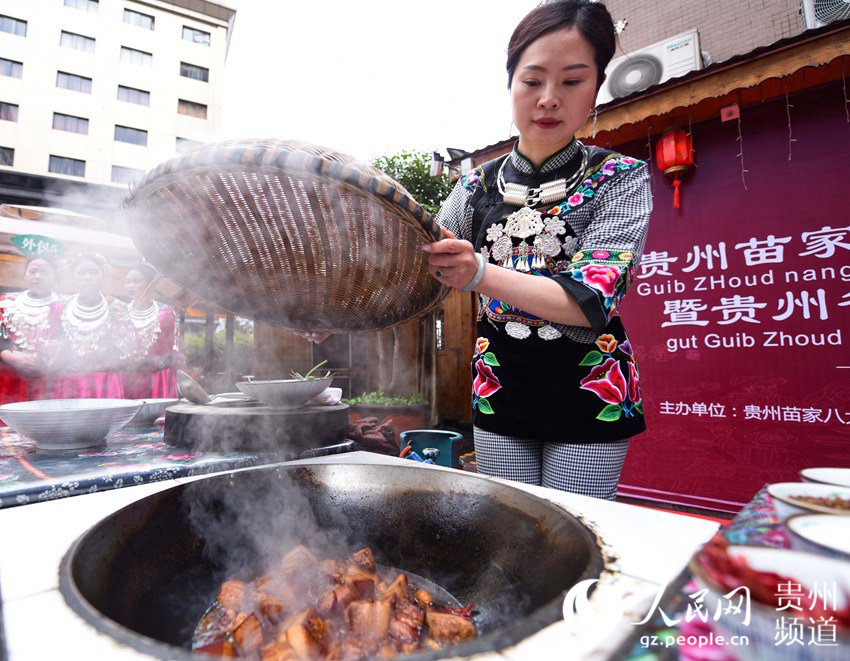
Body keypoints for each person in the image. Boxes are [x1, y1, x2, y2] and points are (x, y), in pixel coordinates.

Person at [422, 0, 652, 500]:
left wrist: (479, 273)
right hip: (500, 390)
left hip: (591, 394)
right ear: (511, 85)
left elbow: (589, 301)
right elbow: (419, 267)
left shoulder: (620, 179)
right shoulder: (473, 186)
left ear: (596, 87)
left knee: (576, 538)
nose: (549, 99)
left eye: (572, 81)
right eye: (532, 81)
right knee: (511, 541)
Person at [48, 253, 134, 399]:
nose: (87, 277)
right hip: (68, 381)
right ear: (73, 276)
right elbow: (51, 342)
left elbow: (127, 348)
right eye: (81, 272)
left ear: (103, 276)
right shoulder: (59, 307)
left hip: (105, 381)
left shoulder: (118, 308)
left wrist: (106, 353)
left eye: (94, 272)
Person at [0, 257, 63, 403]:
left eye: (45, 272)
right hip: (8, 377)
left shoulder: (65, 306)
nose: (37, 277)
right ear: (24, 275)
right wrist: (11, 357)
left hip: (48, 379)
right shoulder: (5, 302)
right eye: (32, 271)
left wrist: (41, 362)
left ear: (55, 277)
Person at [121, 263, 182, 399]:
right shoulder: (119, 313)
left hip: (158, 380)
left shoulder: (166, 313)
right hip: (127, 380)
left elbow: (176, 351)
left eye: (136, 281)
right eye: (128, 282)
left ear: (151, 283)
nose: (131, 286)